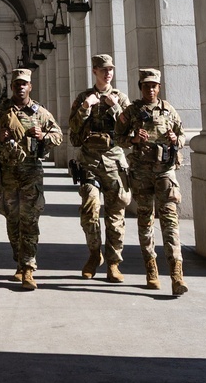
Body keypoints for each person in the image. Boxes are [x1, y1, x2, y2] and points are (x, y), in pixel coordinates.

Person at [0, 67, 62, 291]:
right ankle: (19, 258)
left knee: (30, 221)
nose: (20, 87)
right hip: (7, 174)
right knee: (12, 221)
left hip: (31, 173)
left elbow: (58, 135)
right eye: (17, 83)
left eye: (24, 83)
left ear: (30, 86)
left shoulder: (40, 113)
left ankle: (28, 269)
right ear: (12, 86)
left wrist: (44, 136)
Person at [116, 67, 188, 297]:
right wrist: (133, 138)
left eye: (154, 85)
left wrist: (177, 139)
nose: (150, 89)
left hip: (165, 173)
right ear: (141, 87)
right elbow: (117, 137)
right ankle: (151, 269)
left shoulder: (169, 110)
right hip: (141, 173)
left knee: (170, 223)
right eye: (146, 85)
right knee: (146, 222)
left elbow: (183, 134)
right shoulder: (131, 111)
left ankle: (177, 275)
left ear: (159, 87)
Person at [68, 52, 131, 282]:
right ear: (94, 71)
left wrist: (115, 108)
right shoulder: (84, 97)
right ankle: (94, 255)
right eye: (103, 69)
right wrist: (86, 106)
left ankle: (113, 263)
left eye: (111, 69)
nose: (108, 73)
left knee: (115, 215)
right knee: (89, 209)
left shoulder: (120, 98)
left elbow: (131, 130)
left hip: (114, 163)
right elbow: (73, 130)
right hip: (90, 163)